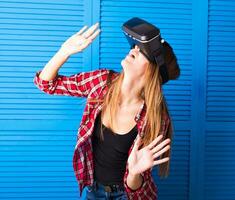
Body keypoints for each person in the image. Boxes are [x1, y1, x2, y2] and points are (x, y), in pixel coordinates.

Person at [33, 21, 180, 200]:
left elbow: (139, 191)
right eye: (134, 46)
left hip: (127, 195)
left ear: (153, 70)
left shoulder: (155, 117)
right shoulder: (102, 83)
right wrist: (64, 52)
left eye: (142, 51)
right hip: (94, 191)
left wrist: (134, 173)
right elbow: (47, 84)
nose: (133, 50)